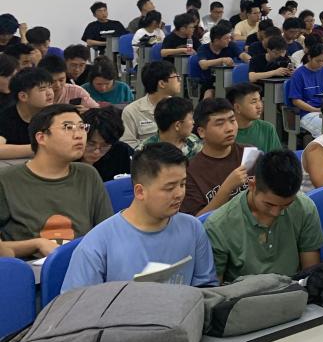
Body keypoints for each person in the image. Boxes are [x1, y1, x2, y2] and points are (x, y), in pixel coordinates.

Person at [61, 143, 217, 291]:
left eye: (182, 184)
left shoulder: (193, 228)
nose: (179, 194)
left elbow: (206, 288)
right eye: (169, 188)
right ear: (140, 191)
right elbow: (76, 305)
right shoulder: (97, 244)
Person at [0, 104, 112, 258]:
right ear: (41, 138)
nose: (79, 135)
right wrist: (36, 244)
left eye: (82, 127)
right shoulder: (6, 180)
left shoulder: (88, 174)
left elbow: (106, 233)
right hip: (32, 268)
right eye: (68, 127)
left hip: (83, 263)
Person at [205, 150, 323, 282]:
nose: (276, 212)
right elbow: (214, 290)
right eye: (269, 204)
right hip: (243, 293)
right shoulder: (220, 225)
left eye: (286, 205)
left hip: (293, 290)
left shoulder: (304, 207)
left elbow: (309, 275)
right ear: (252, 185)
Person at [181, 98, 249, 216]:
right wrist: (227, 189)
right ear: (201, 132)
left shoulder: (250, 154)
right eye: (220, 123)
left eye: (232, 120)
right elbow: (197, 221)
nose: (230, 128)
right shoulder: (190, 172)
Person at [122, 60, 181, 149]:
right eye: (176, 77)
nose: (180, 80)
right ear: (162, 84)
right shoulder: (132, 111)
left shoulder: (180, 107)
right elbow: (128, 144)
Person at [0, 68, 54, 159]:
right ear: (23, 96)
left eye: (50, 87)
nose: (50, 93)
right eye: (42, 89)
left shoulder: (55, 115)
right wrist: (38, 148)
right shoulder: (5, 118)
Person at [289, 43, 323, 138]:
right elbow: (296, 101)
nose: (321, 64)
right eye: (318, 61)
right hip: (307, 113)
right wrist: (315, 110)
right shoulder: (299, 74)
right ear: (309, 57)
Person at [80, 107, 134, 181]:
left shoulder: (122, 151)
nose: (97, 152)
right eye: (91, 144)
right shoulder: (66, 156)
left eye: (104, 146)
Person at [197, 25, 250, 99]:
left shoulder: (231, 45)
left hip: (230, 80)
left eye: (229, 37)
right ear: (216, 41)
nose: (229, 40)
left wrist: (249, 59)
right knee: (209, 94)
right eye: (226, 38)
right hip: (209, 82)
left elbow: (242, 55)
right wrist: (221, 60)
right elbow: (203, 65)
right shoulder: (204, 48)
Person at [228, 83, 282, 153]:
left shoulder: (267, 129)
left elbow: (277, 158)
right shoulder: (226, 132)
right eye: (254, 102)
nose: (259, 106)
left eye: (259, 100)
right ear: (237, 107)